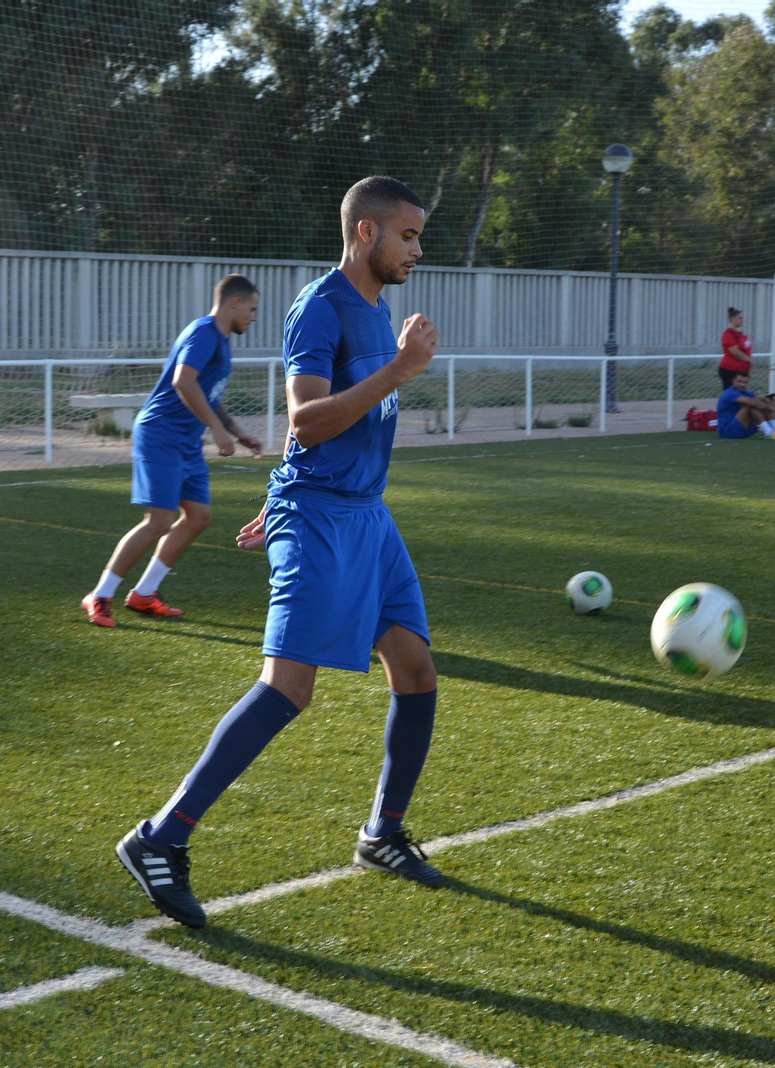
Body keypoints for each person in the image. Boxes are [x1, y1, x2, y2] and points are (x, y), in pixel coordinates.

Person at [115, 177, 444, 929]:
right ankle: (159, 839)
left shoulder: (376, 307)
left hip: (367, 516)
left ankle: (383, 834)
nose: (416, 251)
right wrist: (400, 370)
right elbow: (306, 421)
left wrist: (278, 487)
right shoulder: (318, 307)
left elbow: (325, 434)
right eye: (408, 236)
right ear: (366, 233)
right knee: (288, 687)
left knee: (417, 669)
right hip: (324, 519)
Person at [81, 275, 264, 628]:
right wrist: (214, 429)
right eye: (252, 309)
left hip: (186, 441)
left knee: (198, 517)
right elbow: (183, 381)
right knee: (159, 521)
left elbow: (208, 394)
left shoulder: (221, 341)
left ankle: (144, 594)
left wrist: (238, 434)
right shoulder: (204, 332)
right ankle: (100, 595)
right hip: (161, 435)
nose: (254, 317)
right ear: (234, 303)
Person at [717, 371, 775, 440]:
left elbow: (763, 398)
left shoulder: (745, 392)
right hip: (728, 431)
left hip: (743, 428)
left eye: (744, 382)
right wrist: (770, 407)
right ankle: (769, 432)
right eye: (739, 381)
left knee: (761, 402)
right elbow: (751, 402)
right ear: (733, 381)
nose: (742, 384)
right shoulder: (729, 393)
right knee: (751, 405)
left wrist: (768, 402)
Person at [719, 307, 754, 389]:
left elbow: (747, 350)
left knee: (741, 394)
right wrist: (749, 360)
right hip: (730, 369)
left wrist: (751, 363)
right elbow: (735, 352)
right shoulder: (728, 334)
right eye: (740, 318)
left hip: (742, 371)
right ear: (733, 319)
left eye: (742, 318)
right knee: (732, 395)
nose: (742, 320)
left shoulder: (742, 334)